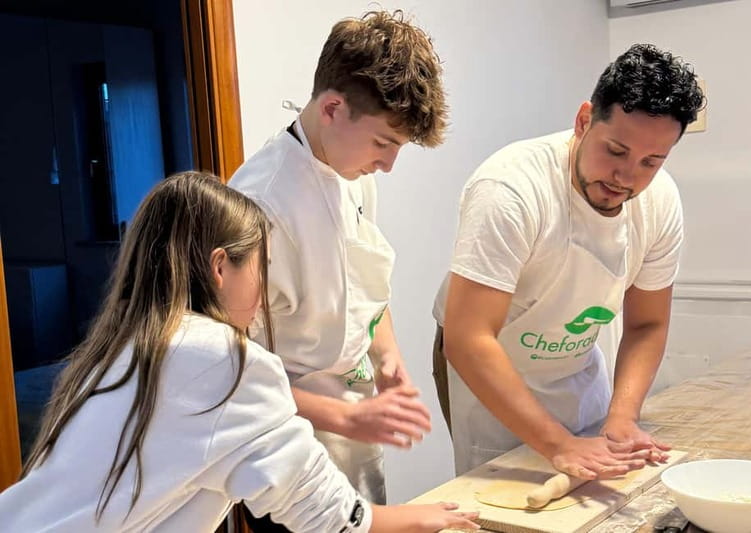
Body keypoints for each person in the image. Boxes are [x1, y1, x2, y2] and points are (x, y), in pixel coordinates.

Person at [0, 173, 479, 533]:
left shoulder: (121, 348)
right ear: (219, 267)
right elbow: (324, 512)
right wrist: (426, 517)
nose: (266, 289)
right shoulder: (218, 358)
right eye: (262, 265)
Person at [431, 44, 705, 478]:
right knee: (504, 493)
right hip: (488, 362)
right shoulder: (511, 188)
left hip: (573, 359)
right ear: (583, 121)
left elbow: (647, 323)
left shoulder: (660, 201)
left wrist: (623, 417)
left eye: (651, 162)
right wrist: (557, 444)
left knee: (594, 481)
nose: (626, 177)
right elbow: (468, 337)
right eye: (615, 151)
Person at [228, 8, 447, 515]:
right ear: (331, 109)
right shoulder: (256, 206)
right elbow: (229, 377)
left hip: (356, 413)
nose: (389, 165)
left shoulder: (352, 173)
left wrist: (388, 361)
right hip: (290, 437)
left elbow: (365, 284)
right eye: (384, 143)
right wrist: (344, 418)